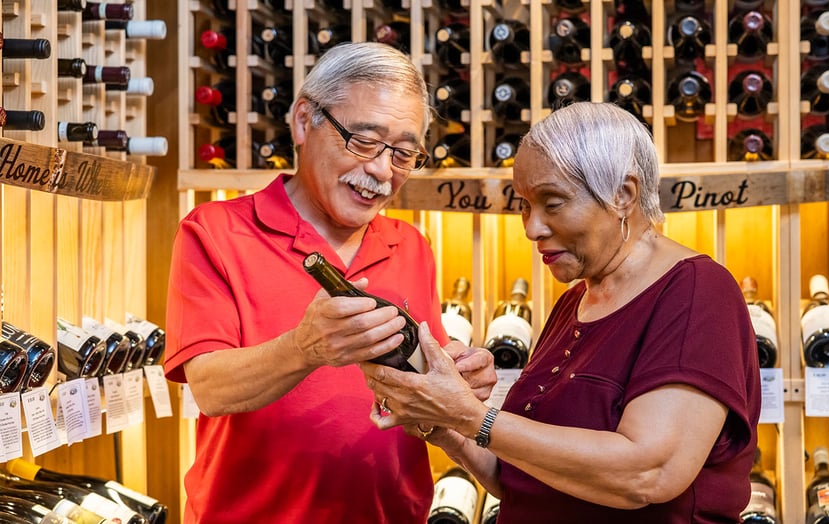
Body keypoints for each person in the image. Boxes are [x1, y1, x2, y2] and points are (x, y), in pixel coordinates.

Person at [362, 102, 761, 523]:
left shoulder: (696, 292)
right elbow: (520, 476)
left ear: (622, 195)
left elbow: (647, 473)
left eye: (552, 203)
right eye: (525, 206)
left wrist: (470, 415)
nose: (532, 228)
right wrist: (443, 424)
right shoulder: (576, 301)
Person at [164, 42, 496, 523]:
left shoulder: (412, 245)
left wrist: (458, 381)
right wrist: (305, 348)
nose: (382, 171)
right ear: (304, 121)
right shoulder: (214, 231)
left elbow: (418, 394)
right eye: (363, 142)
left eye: (403, 154)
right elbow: (211, 387)